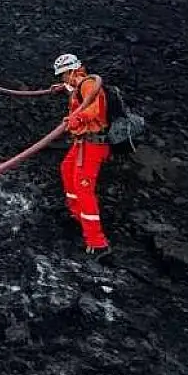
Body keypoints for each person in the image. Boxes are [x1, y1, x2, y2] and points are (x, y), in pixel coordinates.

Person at [50, 53, 110, 257]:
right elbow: (80, 95)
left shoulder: (89, 84)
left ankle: (98, 242)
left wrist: (75, 120)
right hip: (83, 142)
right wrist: (63, 89)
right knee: (67, 170)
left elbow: (93, 109)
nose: (62, 80)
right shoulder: (80, 85)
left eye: (63, 76)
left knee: (84, 187)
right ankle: (77, 216)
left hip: (93, 144)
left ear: (71, 71)